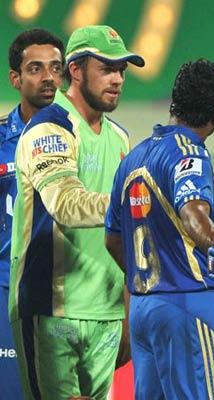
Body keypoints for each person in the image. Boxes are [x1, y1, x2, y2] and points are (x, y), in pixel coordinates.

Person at [104, 58, 214, 399]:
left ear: (175, 100)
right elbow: (193, 213)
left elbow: (113, 238)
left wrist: (151, 279)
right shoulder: (192, 154)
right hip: (190, 307)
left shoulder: (134, 157)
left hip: (146, 311)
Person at [8, 25, 143, 399]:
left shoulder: (120, 137)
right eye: (107, 68)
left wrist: (128, 314)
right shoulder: (49, 126)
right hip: (52, 311)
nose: (117, 79)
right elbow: (65, 204)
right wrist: (135, 205)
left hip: (107, 313)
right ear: (77, 70)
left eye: (122, 70)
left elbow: (125, 238)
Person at [1, 28, 64, 400]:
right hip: (8, 288)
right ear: (16, 78)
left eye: (55, 68)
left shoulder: (84, 137)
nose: (48, 78)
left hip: (68, 295)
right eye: (36, 68)